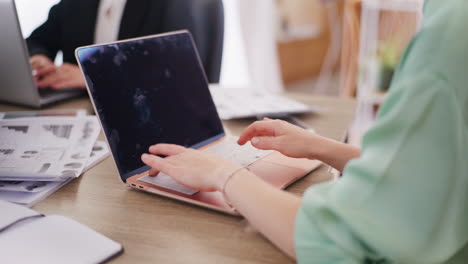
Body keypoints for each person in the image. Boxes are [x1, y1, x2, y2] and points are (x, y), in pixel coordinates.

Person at [141, 0, 468, 263]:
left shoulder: (452, 31)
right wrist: (320, 147)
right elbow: (426, 177)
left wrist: (223, 174)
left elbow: (343, 239)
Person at [27, 0, 223, 90]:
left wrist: (92, 76)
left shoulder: (170, 5)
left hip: (140, 114)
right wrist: (38, 59)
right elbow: (36, 40)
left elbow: (175, 71)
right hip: (79, 110)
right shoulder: (74, 4)